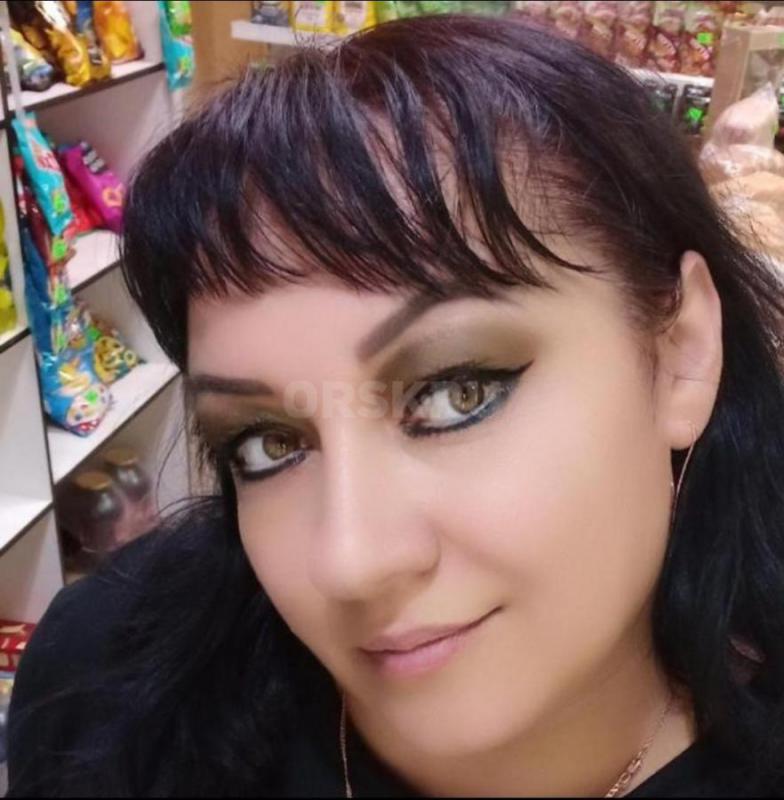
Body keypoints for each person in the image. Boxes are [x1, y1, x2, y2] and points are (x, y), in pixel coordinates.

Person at [8, 13, 784, 797]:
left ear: (681, 350)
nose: (352, 562)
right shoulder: (104, 692)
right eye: (267, 443)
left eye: (457, 394)